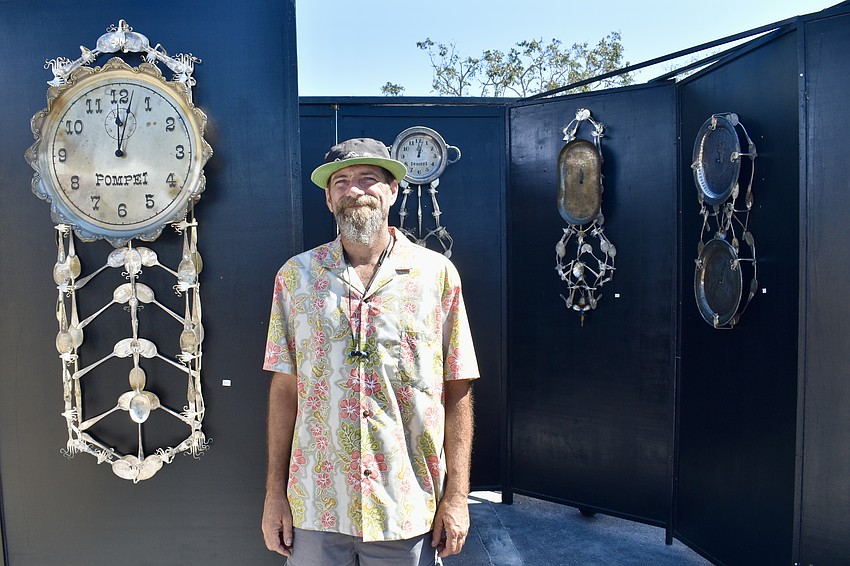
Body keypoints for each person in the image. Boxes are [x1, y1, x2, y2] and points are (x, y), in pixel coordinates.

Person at [261, 137, 480, 566]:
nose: (355, 190)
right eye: (341, 182)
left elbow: (457, 387)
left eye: (368, 178)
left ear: (393, 190)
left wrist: (457, 496)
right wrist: (274, 493)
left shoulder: (436, 276)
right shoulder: (295, 278)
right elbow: (285, 389)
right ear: (328, 199)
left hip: (406, 506)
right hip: (316, 504)